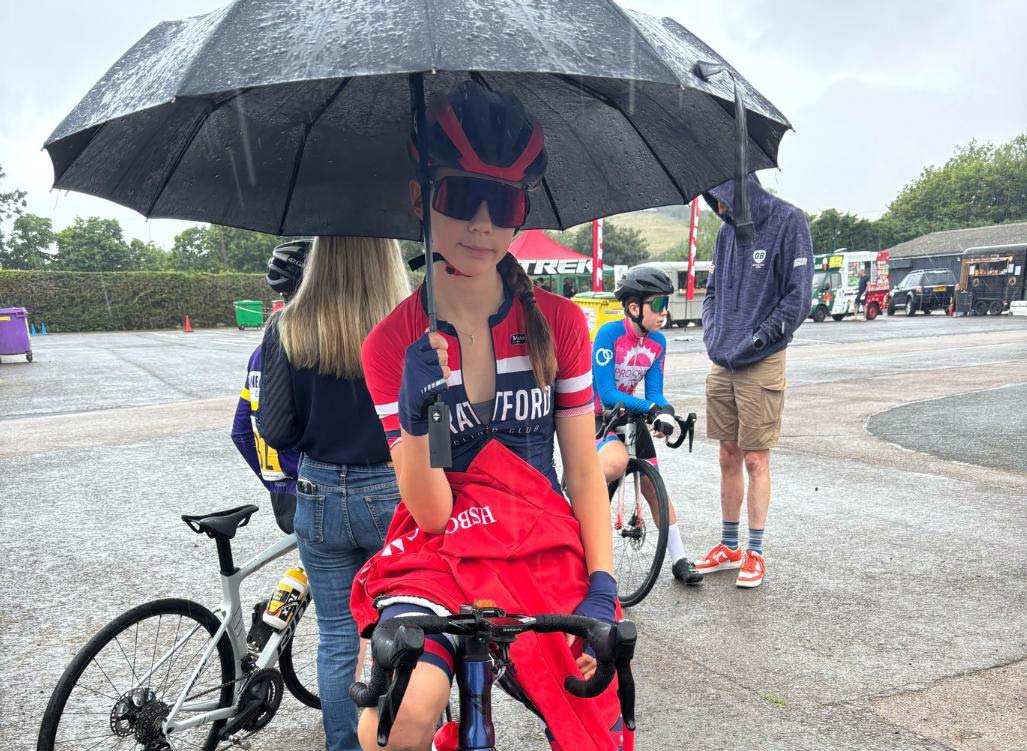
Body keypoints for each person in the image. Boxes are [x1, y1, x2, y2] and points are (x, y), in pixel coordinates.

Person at [354, 81, 622, 751]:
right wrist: (417, 421)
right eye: (459, 196)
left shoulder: (560, 323)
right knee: (395, 718)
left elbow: (582, 471)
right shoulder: (391, 345)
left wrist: (602, 583)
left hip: (540, 536)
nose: (482, 225)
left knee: (596, 717)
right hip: (441, 542)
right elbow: (432, 514)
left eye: (503, 204)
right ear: (419, 197)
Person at [256, 236, 410, 751]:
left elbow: (275, 428)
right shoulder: (407, 324)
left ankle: (344, 745)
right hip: (391, 487)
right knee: (406, 631)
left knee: (337, 638)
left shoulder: (287, 326)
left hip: (317, 490)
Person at [696, 174, 813, 588]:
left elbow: (799, 297)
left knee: (755, 458)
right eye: (714, 201)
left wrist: (759, 337)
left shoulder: (789, 221)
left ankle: (755, 551)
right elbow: (711, 293)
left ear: (741, 191)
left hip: (762, 359)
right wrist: (713, 335)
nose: (720, 209)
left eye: (723, 199)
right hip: (723, 359)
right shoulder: (726, 234)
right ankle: (729, 545)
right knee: (727, 454)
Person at [592, 266, 703, 585]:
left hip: (627, 413)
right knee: (613, 464)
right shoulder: (609, 335)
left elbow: (654, 393)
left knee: (654, 485)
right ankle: (581, 530)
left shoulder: (658, 343)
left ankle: (679, 558)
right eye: (658, 304)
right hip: (595, 414)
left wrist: (663, 412)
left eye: (666, 303)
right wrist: (652, 408)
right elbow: (607, 394)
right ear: (633, 307)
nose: (664, 311)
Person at [230, 240, 309, 534]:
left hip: (282, 493)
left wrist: (274, 483)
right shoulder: (311, 351)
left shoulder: (261, 353)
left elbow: (241, 431)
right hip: (314, 488)